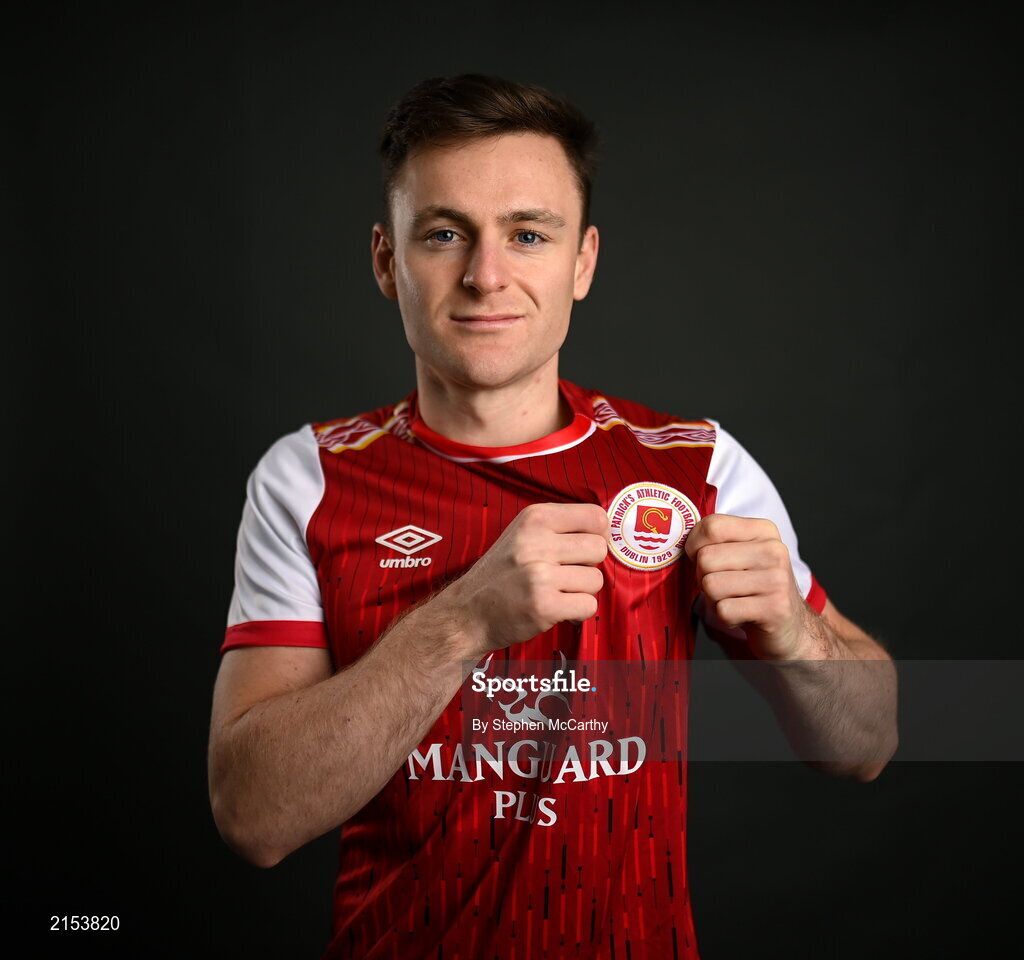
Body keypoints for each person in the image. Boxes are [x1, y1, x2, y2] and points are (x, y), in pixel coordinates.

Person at [207, 74, 898, 959]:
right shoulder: (308, 478)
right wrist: (459, 624)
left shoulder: (694, 466)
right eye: (445, 233)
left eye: (527, 234)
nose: (485, 275)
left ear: (583, 262)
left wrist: (798, 637)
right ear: (387, 261)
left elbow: (868, 741)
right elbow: (253, 816)